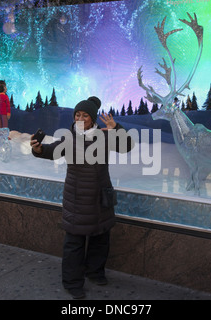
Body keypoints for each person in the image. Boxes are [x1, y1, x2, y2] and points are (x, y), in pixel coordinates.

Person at [30, 96, 134, 299]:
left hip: (101, 194)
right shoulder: (69, 137)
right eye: (77, 114)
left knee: (101, 236)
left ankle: (95, 272)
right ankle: (72, 282)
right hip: (77, 196)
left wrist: (116, 127)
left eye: (85, 115)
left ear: (92, 118)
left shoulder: (104, 135)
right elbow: (51, 151)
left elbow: (126, 146)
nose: (80, 117)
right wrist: (38, 148)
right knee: (74, 242)